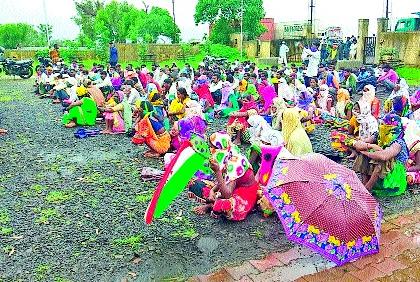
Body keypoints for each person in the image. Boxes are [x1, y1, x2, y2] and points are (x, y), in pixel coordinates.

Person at [191, 132, 259, 221]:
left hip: (245, 192)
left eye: (213, 147)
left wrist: (217, 172)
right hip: (231, 186)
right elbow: (225, 178)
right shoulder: (227, 153)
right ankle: (214, 202)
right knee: (195, 183)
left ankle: (211, 205)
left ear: (220, 148)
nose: (211, 150)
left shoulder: (235, 162)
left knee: (224, 206)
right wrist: (212, 191)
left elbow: (227, 194)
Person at [352, 114, 408, 195]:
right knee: (365, 152)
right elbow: (360, 143)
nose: (381, 126)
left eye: (384, 125)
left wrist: (370, 147)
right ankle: (365, 183)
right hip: (383, 171)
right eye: (381, 124)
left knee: (383, 160)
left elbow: (384, 156)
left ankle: (367, 188)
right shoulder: (379, 135)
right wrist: (367, 147)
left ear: (391, 127)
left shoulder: (398, 142)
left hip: (393, 176)